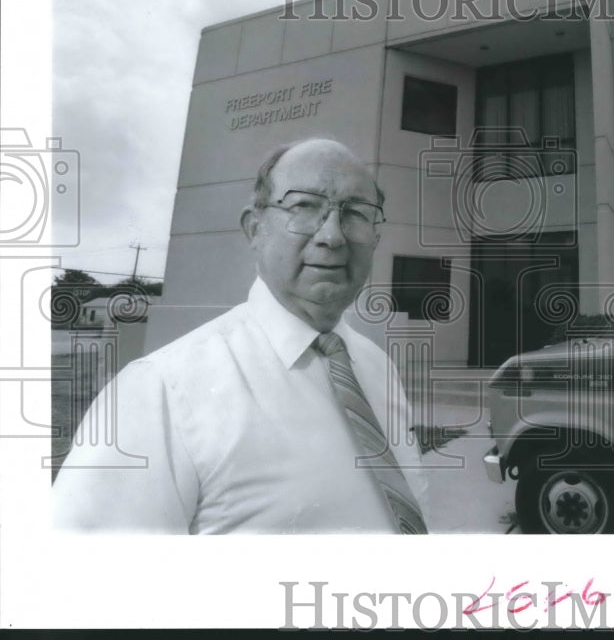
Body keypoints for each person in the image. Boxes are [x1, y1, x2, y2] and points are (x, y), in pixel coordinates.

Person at [52, 138, 429, 534]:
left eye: (355, 212)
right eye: (304, 206)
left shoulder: (375, 366)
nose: (332, 235)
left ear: (376, 236)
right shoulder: (160, 392)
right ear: (255, 227)